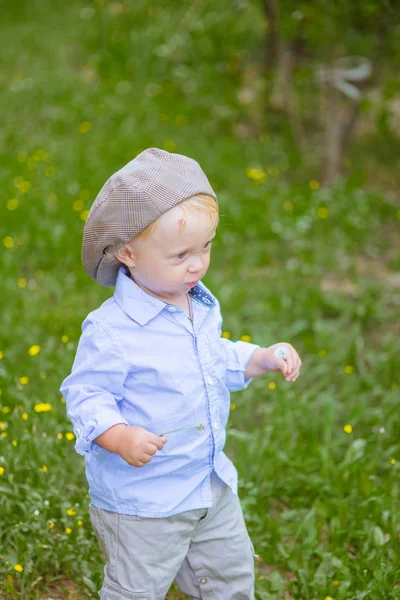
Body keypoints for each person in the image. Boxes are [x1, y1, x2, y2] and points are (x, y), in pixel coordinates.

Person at [60, 148, 302, 600]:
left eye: (206, 247)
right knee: (137, 589)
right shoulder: (112, 330)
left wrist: (261, 357)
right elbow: (86, 392)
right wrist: (117, 434)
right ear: (128, 253)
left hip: (208, 482)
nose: (198, 264)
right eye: (181, 255)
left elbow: (214, 357)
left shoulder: (198, 303)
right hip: (144, 501)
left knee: (232, 579)